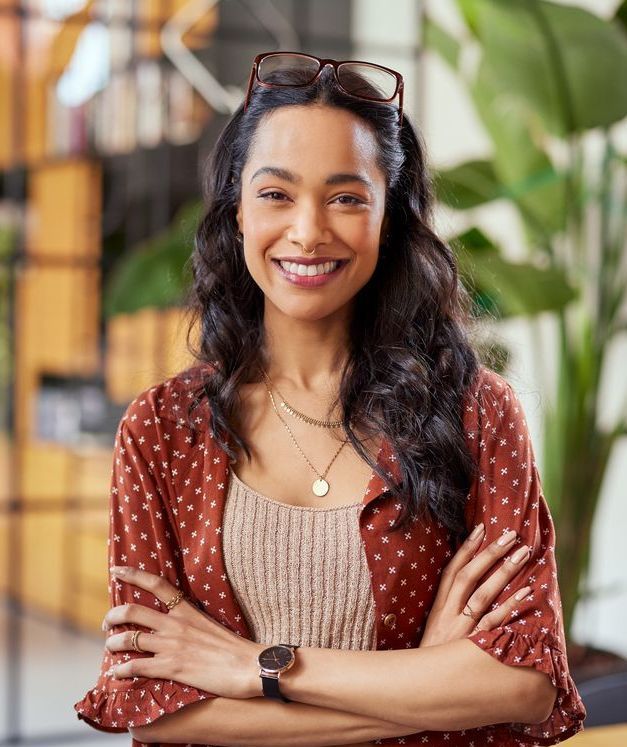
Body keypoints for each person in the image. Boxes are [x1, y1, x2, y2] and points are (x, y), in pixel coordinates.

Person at [74, 51, 586, 746]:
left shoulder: (474, 411)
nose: (308, 231)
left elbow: (524, 684)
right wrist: (422, 681)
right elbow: (149, 703)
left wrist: (254, 667)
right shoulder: (162, 430)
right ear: (235, 211)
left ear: (388, 216)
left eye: (346, 197)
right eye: (275, 194)